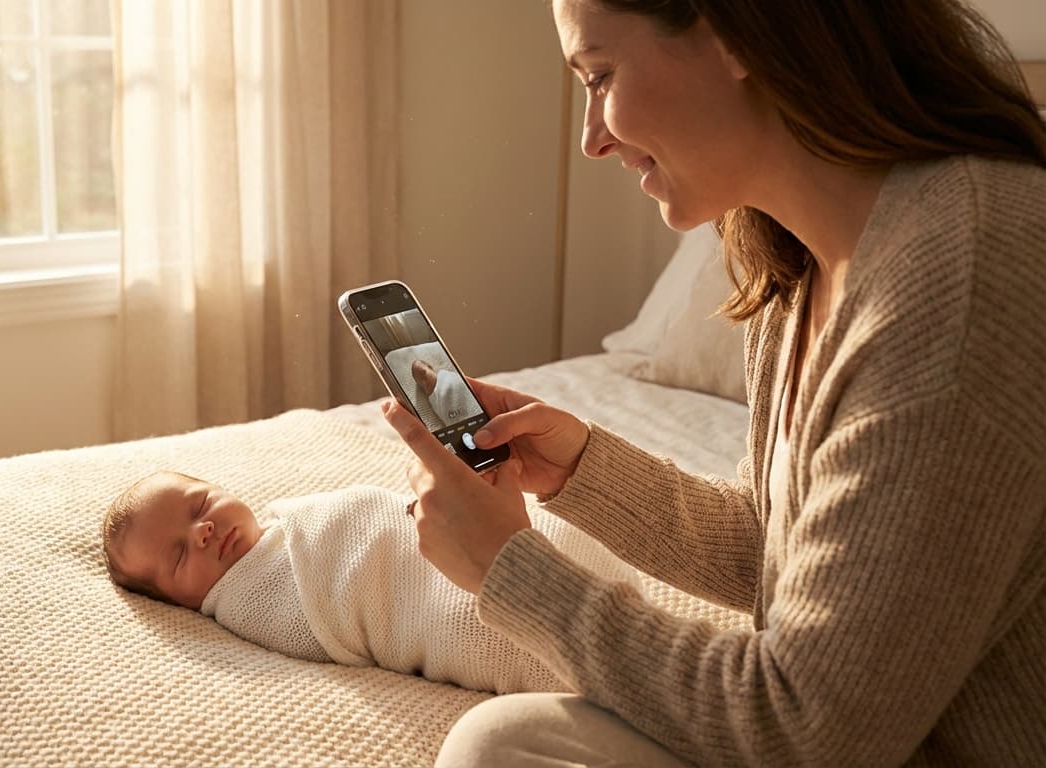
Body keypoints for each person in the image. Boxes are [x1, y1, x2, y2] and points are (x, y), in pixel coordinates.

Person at [381, 0, 1046, 765]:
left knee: (499, 749)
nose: (592, 139)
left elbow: (808, 728)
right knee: (507, 741)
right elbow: (784, 546)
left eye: (600, 76)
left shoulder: (959, 282)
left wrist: (511, 572)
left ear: (736, 33)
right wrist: (581, 466)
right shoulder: (801, 261)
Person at [101, 470, 644, 694]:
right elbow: (338, 607)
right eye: (177, 555)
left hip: (447, 548)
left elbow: (375, 518)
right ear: (180, 601)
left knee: (545, 528)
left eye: (200, 505)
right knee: (501, 614)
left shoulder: (287, 525)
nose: (204, 531)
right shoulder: (245, 600)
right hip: (439, 604)